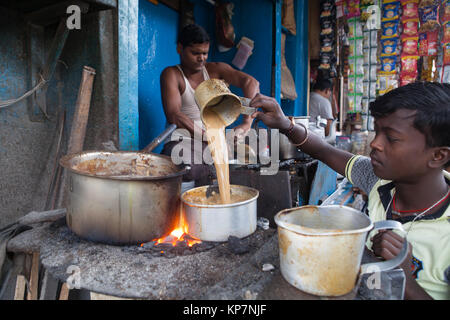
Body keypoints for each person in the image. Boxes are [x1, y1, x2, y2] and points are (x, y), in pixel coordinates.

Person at [250, 82, 450, 300]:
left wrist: (403, 276)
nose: (375, 144)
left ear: (438, 156)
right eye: (377, 131)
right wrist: (285, 125)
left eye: (391, 138)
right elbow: (323, 150)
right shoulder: (378, 180)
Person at [160, 24, 259, 182]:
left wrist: (247, 122)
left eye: (205, 53)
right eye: (195, 53)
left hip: (213, 143)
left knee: (242, 170)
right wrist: (209, 137)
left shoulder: (215, 70)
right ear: (180, 48)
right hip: (183, 141)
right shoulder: (172, 75)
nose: (201, 58)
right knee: (188, 169)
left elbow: (250, 83)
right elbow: (175, 116)